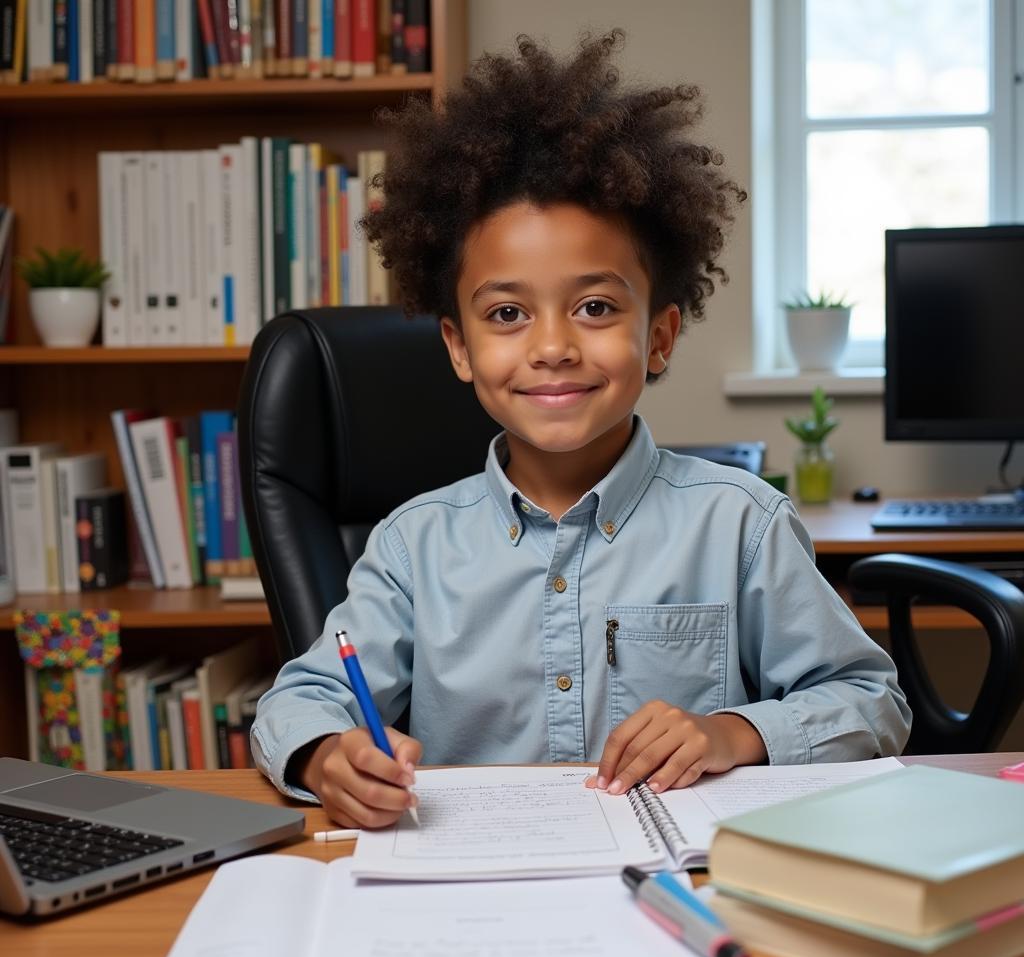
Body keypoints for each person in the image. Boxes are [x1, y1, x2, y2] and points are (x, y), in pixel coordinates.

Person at [252, 30, 911, 828]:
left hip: (679, 882)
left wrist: (732, 731)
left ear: (659, 337)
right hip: (474, 895)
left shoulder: (741, 523)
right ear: (459, 347)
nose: (555, 346)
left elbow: (871, 701)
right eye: (506, 314)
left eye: (595, 307)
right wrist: (326, 755)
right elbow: (302, 699)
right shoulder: (410, 547)